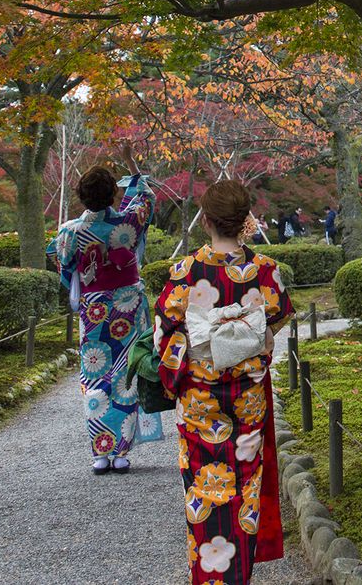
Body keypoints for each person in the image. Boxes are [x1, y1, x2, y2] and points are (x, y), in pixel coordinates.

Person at [156, 179, 291, 584]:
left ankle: (209, 575)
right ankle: (238, 576)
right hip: (247, 394)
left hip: (200, 399)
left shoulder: (184, 271)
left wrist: (181, 372)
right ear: (244, 220)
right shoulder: (266, 270)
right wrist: (246, 343)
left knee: (202, 486)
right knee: (245, 486)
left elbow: (164, 334)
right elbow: (277, 320)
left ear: (207, 219)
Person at [49, 165, 165, 473]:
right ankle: (123, 453)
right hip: (129, 305)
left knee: (95, 375)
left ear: (81, 196)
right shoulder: (126, 222)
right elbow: (144, 198)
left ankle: (100, 454)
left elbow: (63, 262)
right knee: (127, 374)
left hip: (95, 308)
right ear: (113, 193)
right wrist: (134, 172)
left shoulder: (70, 230)